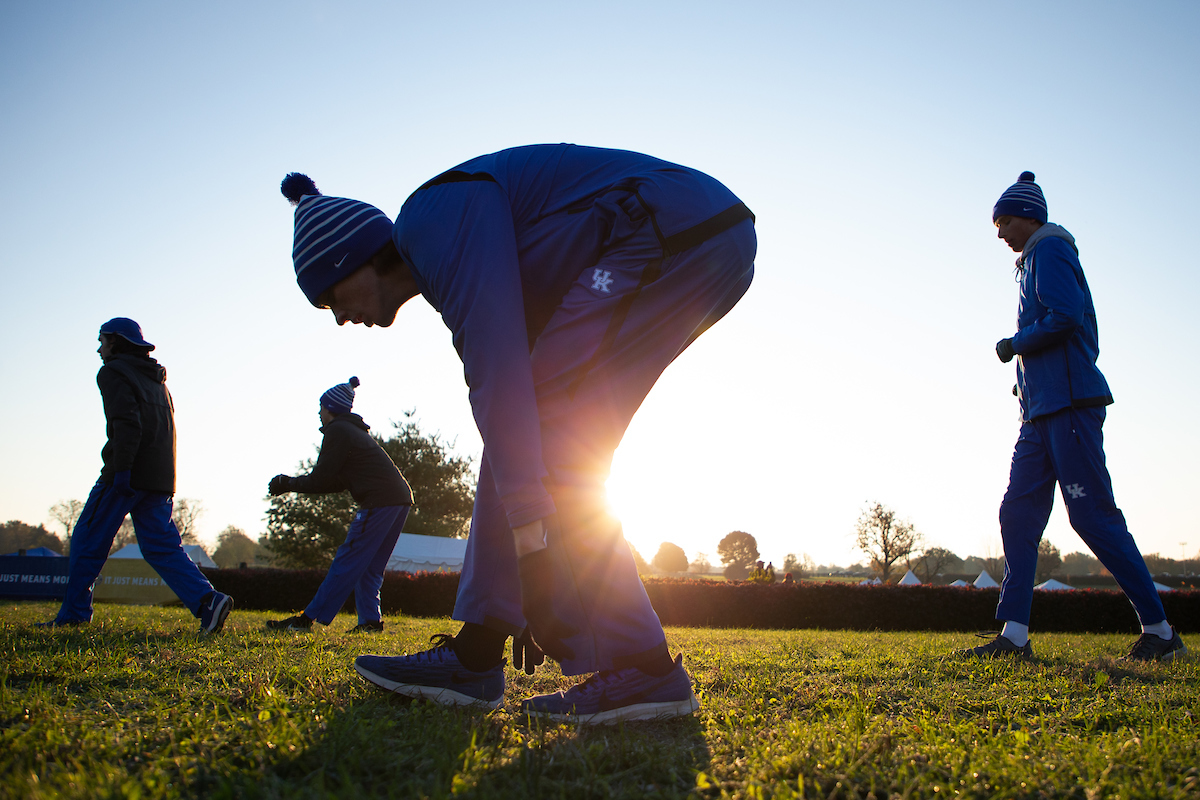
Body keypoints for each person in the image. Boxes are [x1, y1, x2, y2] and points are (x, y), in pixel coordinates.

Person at [280, 143, 756, 722]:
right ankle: (480, 648)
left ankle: (643, 668)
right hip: (692, 234)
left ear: (351, 259)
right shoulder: (437, 248)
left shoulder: (430, 223)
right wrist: (522, 575)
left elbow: (497, 366)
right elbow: (510, 412)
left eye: (329, 297)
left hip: (665, 229)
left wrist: (534, 553)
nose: (337, 316)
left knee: (542, 428)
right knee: (526, 435)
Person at [960, 173, 1186, 662]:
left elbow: (1066, 315)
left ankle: (1161, 632)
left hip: (1069, 408)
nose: (999, 233)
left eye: (1003, 221)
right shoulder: (1028, 262)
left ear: (1029, 216)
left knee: (1091, 517)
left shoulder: (1051, 250)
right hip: (1037, 415)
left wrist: (1014, 344)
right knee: (1017, 514)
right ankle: (1014, 637)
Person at [41, 319, 233, 632]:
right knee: (162, 547)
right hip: (159, 479)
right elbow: (167, 431)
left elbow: (125, 424)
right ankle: (207, 601)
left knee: (88, 539)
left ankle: (74, 613)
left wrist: (122, 472)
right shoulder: (158, 380)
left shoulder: (112, 372)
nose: (99, 348)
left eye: (102, 341)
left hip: (126, 475)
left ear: (116, 342)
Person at [265, 377, 413, 633]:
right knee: (369, 566)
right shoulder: (353, 432)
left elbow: (320, 479)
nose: (319, 413)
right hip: (399, 499)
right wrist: (291, 484)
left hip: (380, 501)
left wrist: (286, 483)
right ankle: (369, 622)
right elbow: (335, 481)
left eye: (321, 407)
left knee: (348, 559)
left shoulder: (338, 431)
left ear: (330, 408)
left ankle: (305, 620)